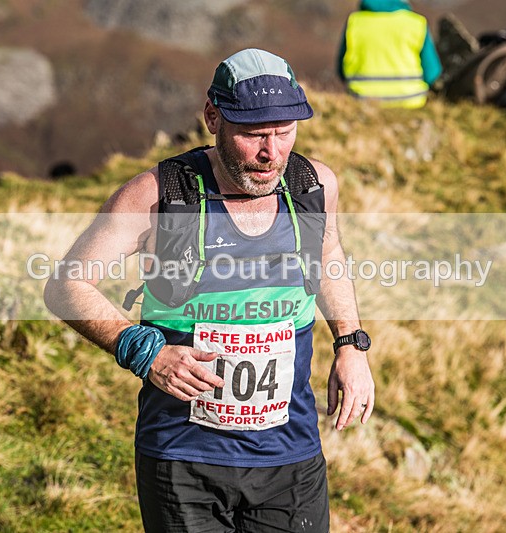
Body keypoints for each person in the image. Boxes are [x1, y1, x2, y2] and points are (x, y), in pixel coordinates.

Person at [44, 48, 375, 532]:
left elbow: (327, 257)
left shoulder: (313, 185)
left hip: (290, 455)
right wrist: (143, 350)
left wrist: (350, 344)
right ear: (212, 118)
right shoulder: (159, 195)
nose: (271, 152)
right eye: (253, 134)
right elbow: (66, 284)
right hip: (182, 458)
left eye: (284, 132)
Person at [338, 0, 443, 108]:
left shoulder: (354, 22)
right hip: (411, 100)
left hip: (361, 100)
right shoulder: (416, 23)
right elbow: (432, 72)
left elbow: (341, 70)